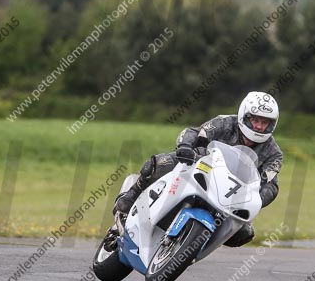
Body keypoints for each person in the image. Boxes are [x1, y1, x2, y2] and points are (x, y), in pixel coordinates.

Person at [112, 91, 283, 247]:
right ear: (244, 116)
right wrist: (186, 146)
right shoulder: (225, 122)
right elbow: (196, 132)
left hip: (230, 196)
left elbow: (271, 184)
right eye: (255, 120)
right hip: (201, 168)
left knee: (244, 234)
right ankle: (129, 198)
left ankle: (193, 246)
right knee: (159, 164)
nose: (260, 127)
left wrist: (258, 198)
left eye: (265, 122)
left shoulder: (273, 154)